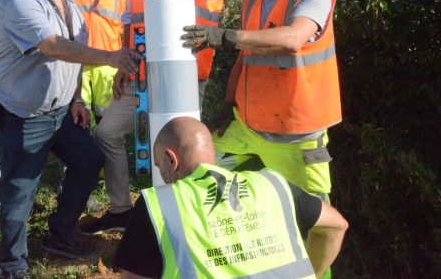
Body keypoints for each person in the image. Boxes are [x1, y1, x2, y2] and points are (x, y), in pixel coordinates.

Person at [0, 0, 142, 278]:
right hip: (17, 113)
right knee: (19, 190)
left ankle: (60, 234)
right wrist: (111, 57)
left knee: (89, 159)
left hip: (58, 111)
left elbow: (74, 53)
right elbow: (53, 46)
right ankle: (13, 264)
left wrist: (76, 98)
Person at [80, 0, 224, 236]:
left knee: (185, 152)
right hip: (141, 73)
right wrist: (122, 63)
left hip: (186, 76)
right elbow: (133, 16)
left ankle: (188, 225)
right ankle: (121, 210)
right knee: (106, 133)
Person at [181, 0, 341, 202]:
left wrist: (225, 36)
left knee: (314, 218)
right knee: (195, 171)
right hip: (247, 125)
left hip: (295, 133)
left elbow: (293, 38)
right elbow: (246, 58)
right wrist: (229, 104)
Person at [112, 117, 348, 279]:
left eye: (159, 166)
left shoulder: (160, 205)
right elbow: (337, 226)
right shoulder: (272, 185)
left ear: (171, 159)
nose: (161, 176)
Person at [64, 0, 128, 122]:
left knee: (107, 127)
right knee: (76, 126)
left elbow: (132, 24)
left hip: (109, 63)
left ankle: (106, 155)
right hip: (73, 63)